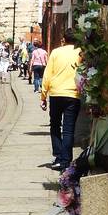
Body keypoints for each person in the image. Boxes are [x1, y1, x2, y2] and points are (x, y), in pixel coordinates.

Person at [41, 26, 82, 172]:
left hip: (56, 93)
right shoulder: (81, 52)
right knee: (68, 129)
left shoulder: (56, 52)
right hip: (73, 94)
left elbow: (47, 74)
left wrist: (43, 95)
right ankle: (66, 161)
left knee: (55, 125)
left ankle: (58, 156)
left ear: (64, 39)